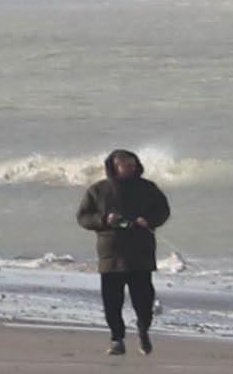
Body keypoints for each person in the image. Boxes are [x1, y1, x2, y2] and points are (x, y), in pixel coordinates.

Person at [73, 148, 174, 354]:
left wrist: (148, 220)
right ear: (115, 167)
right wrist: (104, 220)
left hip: (141, 254)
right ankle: (116, 339)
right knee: (112, 302)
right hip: (111, 255)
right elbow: (83, 217)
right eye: (126, 165)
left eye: (133, 164)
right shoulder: (98, 190)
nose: (131, 168)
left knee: (144, 301)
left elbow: (163, 211)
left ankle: (143, 330)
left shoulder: (148, 188)